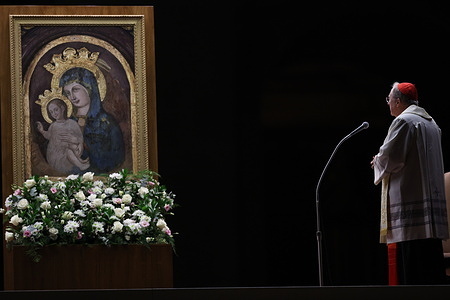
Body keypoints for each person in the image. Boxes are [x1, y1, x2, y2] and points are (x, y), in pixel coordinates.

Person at [371, 82, 449, 285]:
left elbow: (392, 157)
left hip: (411, 199)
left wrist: (377, 161)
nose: (388, 103)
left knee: (414, 266)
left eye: (389, 99)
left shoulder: (404, 121)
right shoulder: (431, 123)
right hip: (429, 203)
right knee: (430, 261)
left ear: (398, 101)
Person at [59, 67, 125, 174]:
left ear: (89, 89)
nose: (72, 97)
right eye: (67, 92)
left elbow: (117, 157)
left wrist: (86, 145)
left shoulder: (107, 123)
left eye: (75, 90)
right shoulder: (67, 122)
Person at [36, 98, 90, 174]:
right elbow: (48, 136)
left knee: (72, 147)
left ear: (62, 108)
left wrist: (75, 140)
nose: (54, 113)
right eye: (51, 112)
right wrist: (42, 131)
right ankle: (80, 165)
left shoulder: (72, 123)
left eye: (56, 110)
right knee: (68, 151)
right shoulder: (53, 126)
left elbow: (80, 137)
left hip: (70, 149)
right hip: (56, 154)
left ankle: (80, 161)